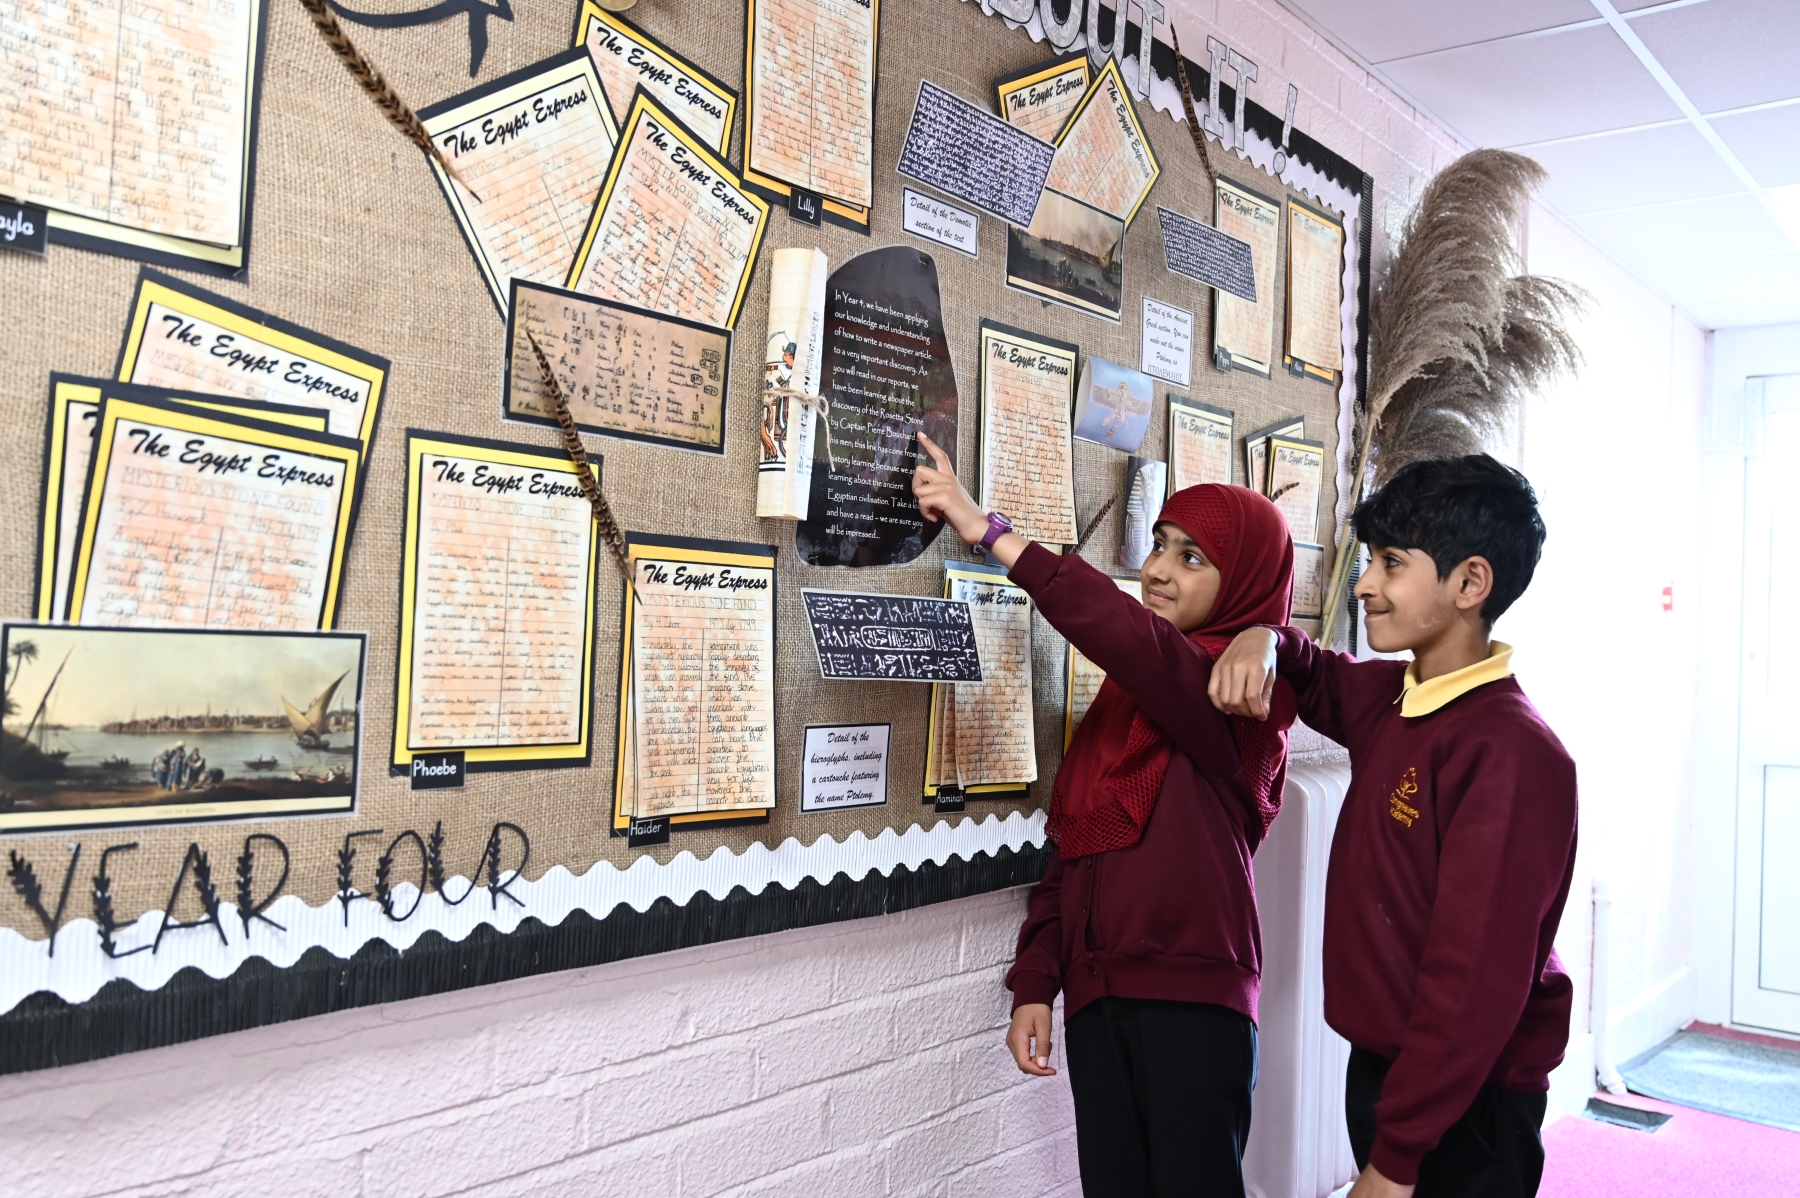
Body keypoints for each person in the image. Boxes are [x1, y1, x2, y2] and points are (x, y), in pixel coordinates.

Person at [912, 432, 1298, 1198]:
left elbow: (1127, 636)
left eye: (1192, 557)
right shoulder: (1126, 704)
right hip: (1099, 1000)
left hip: (1195, 1008)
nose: (1157, 569)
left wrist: (987, 530)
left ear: (1248, 580)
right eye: (1159, 544)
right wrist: (1036, 982)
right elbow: (1076, 853)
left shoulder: (1250, 697)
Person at [1208, 455, 1577, 1198]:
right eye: (1370, 560)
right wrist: (1266, 637)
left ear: (1470, 584)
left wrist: (1397, 1157)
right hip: (1388, 1067)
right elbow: (1316, 672)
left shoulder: (1515, 754)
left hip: (1468, 1097)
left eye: (1392, 564)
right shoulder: (1394, 696)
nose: (1365, 584)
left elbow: (1473, 982)